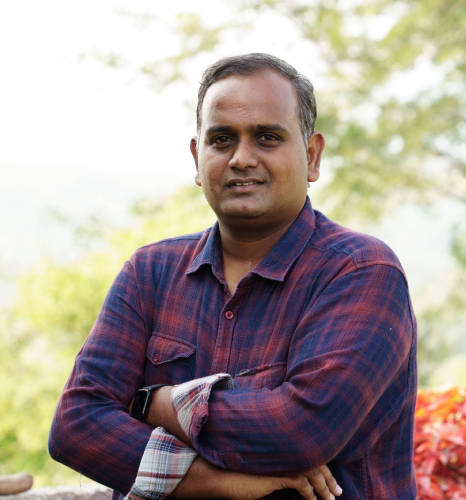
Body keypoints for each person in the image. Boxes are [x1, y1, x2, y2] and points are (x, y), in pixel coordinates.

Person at [49, 53, 417, 500]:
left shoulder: (360, 272)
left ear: (312, 156)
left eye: (267, 138)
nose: (242, 158)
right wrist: (220, 483)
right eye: (222, 139)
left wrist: (154, 402)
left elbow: (302, 431)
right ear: (197, 157)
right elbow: (75, 426)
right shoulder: (150, 273)